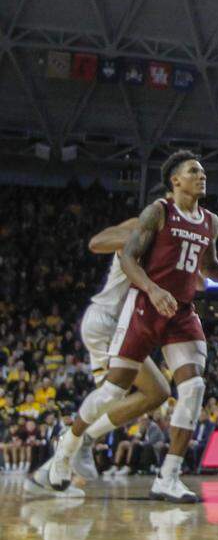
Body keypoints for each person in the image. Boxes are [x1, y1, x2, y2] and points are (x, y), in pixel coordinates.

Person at [32, 152, 218, 503]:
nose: (202, 176)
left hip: (180, 313)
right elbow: (125, 256)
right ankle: (66, 451)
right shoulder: (157, 213)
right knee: (111, 392)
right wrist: (153, 288)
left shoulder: (210, 221)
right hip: (141, 309)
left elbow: (209, 265)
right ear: (175, 182)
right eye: (193, 171)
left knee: (193, 386)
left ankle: (168, 476)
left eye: (203, 171)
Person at [30, 201, 174, 487]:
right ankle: (76, 443)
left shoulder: (178, 241)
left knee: (151, 393)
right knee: (144, 392)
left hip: (121, 327)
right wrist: (145, 239)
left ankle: (50, 469)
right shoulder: (141, 227)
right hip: (107, 323)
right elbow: (97, 242)